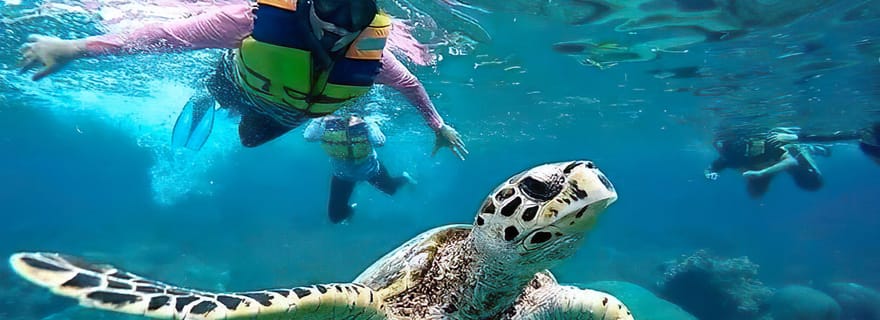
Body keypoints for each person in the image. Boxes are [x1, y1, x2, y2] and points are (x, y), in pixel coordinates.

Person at [18, 0, 468, 160]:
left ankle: (222, 102)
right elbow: (164, 36)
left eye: (356, 12)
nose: (340, 24)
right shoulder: (251, 18)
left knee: (249, 141)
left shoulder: (375, 56)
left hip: (287, 112)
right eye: (332, 5)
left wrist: (438, 126)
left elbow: (412, 86)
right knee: (220, 89)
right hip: (236, 81)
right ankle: (206, 94)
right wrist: (75, 48)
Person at [303, 113, 412, 223]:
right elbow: (309, 137)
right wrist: (321, 117)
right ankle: (350, 211)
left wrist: (368, 122)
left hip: (371, 170)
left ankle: (406, 178)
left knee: (391, 190)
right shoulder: (326, 123)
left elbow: (379, 142)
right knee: (336, 217)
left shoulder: (364, 122)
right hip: (342, 175)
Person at [704, 127, 832, 198]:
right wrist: (709, 173)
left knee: (809, 179)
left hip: (771, 152)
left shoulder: (735, 159)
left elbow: (791, 161)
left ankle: (814, 149)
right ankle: (814, 149)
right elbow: (712, 168)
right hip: (770, 156)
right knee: (807, 176)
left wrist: (710, 174)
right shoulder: (734, 160)